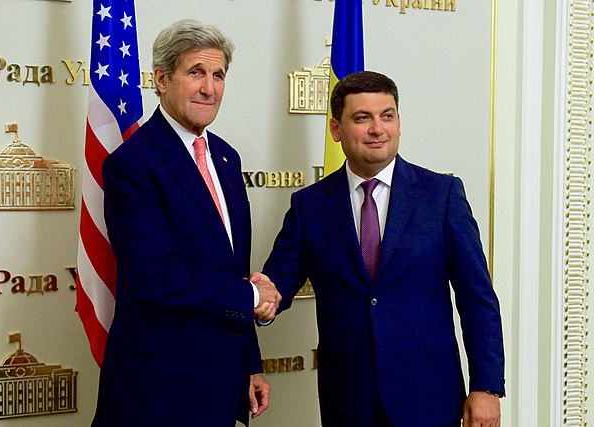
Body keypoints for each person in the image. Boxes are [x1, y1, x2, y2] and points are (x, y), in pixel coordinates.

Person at [255, 71, 505, 426]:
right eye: (362, 118)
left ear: (398, 122)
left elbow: (476, 297)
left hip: (430, 396)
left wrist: (487, 388)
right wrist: (262, 297)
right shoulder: (310, 206)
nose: (377, 129)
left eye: (387, 116)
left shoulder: (441, 196)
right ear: (336, 130)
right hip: (348, 400)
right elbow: (278, 282)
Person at [92, 19, 280, 427]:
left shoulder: (227, 159)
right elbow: (154, 275)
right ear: (161, 78)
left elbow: (230, 270)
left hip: (221, 380)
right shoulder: (133, 163)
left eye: (218, 75)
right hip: (157, 388)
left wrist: (248, 364)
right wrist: (252, 296)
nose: (209, 88)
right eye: (196, 72)